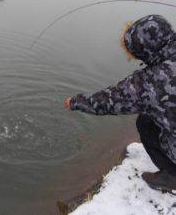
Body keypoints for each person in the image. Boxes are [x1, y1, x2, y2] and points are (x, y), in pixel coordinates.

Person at [65, 15, 176, 193]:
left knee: (145, 123)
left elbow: (109, 101)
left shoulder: (152, 81)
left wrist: (75, 102)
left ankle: (172, 176)